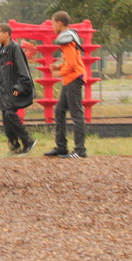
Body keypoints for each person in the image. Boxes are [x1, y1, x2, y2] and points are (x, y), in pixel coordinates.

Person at [0, 23, 37, 156]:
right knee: (5, 118)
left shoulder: (15, 49)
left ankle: (27, 141)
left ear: (6, 34)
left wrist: (19, 87)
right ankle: (14, 146)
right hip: (3, 92)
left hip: (14, 91)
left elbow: (23, 71)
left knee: (9, 114)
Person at [44, 11, 88, 159]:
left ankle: (80, 151)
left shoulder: (66, 39)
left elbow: (73, 64)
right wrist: (59, 66)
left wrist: (59, 72)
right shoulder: (69, 36)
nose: (52, 27)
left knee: (76, 114)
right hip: (70, 79)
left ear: (59, 23)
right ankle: (61, 147)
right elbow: (70, 60)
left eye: (52, 23)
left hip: (74, 78)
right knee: (59, 111)